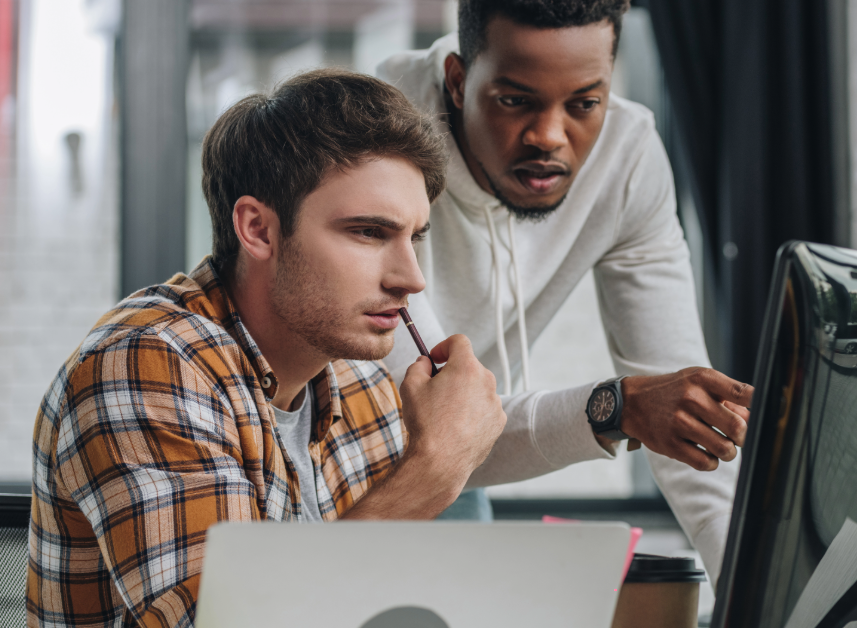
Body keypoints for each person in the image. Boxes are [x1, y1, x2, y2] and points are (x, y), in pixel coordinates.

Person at [26, 70, 508, 627]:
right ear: (258, 229)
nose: (411, 278)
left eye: (414, 237)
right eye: (369, 233)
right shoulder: (145, 365)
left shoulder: (361, 385)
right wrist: (435, 469)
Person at [377, 0, 753, 578]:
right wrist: (621, 408)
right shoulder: (377, 130)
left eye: (584, 103)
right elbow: (427, 421)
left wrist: (756, 594)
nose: (549, 136)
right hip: (331, 454)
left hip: (462, 470)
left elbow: (690, 423)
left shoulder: (626, 158)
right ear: (457, 80)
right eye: (514, 100)